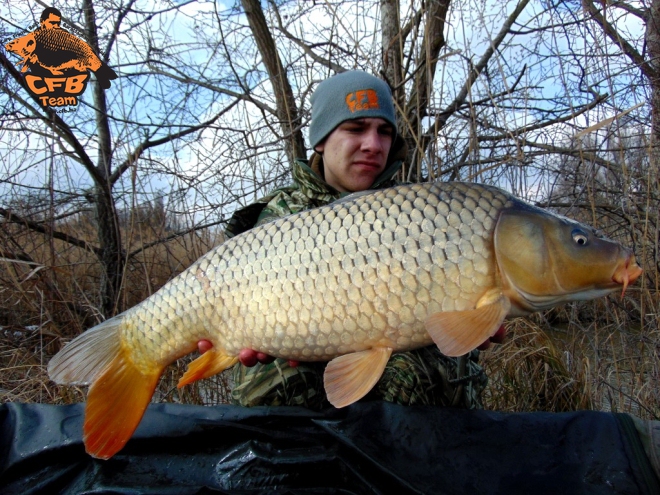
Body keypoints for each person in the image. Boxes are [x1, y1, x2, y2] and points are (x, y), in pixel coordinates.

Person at [202, 70, 493, 410]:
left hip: (396, 369)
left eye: (384, 132)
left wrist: (474, 323)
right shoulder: (276, 219)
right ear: (321, 140)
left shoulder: (422, 213)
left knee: (423, 370)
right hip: (304, 364)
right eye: (356, 128)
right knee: (274, 381)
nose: (373, 144)